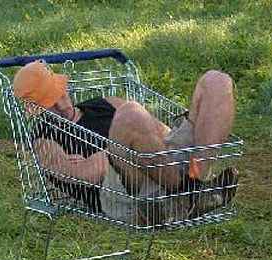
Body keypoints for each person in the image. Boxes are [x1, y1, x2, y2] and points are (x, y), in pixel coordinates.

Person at [13, 60, 238, 224]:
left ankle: (194, 185)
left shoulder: (105, 103)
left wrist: (106, 153)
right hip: (126, 192)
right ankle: (189, 195)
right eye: (51, 103)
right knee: (130, 113)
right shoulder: (43, 140)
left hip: (160, 164)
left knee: (216, 81)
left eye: (60, 94)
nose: (62, 106)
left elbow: (160, 132)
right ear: (35, 109)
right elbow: (85, 175)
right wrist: (120, 149)